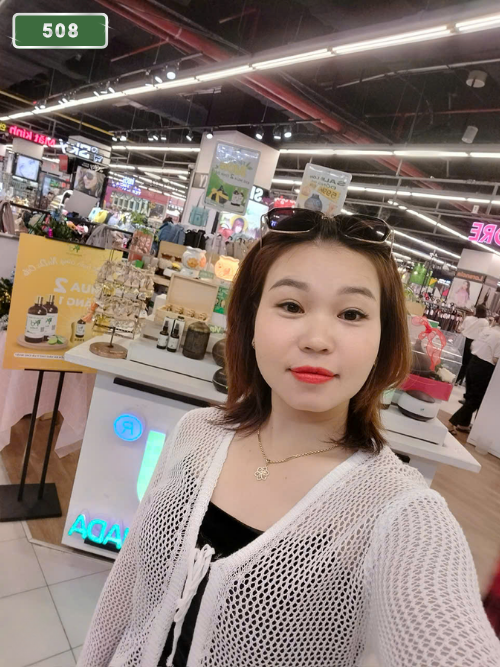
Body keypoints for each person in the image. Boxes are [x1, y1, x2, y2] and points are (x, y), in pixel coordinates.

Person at [79, 210, 500, 667]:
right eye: (291, 306)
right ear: (250, 323)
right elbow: (126, 587)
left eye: (352, 313)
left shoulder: (401, 514)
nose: (317, 339)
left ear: (384, 340)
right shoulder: (195, 433)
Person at [449, 315, 500, 434]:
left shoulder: (487, 330)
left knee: (470, 396)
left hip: (473, 362)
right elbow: (495, 359)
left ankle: (464, 424)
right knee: (476, 400)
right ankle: (452, 422)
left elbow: (473, 345)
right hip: (485, 368)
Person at [456, 303, 489, 385]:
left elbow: (460, 328)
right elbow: (484, 334)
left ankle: (456, 376)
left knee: (459, 359)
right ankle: (461, 379)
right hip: (474, 343)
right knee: (468, 362)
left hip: (463, 340)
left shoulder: (468, 318)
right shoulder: (485, 322)